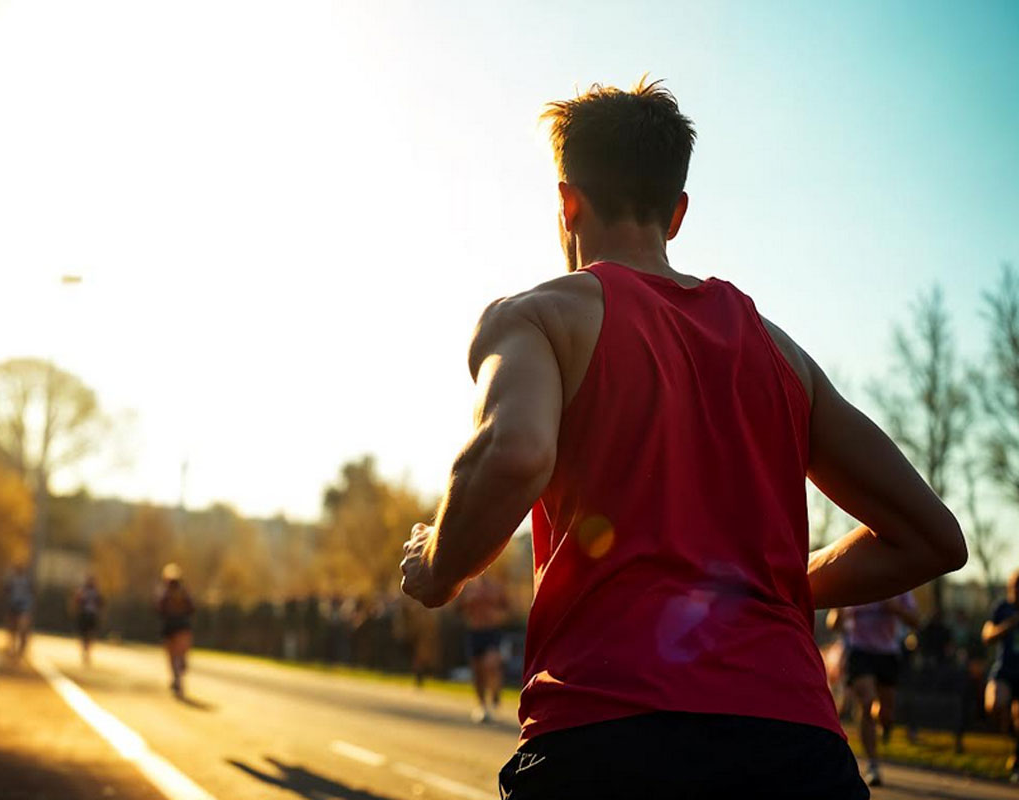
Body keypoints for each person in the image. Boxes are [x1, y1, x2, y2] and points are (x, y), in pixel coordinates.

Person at [399, 78, 966, 799]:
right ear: (677, 212)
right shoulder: (780, 353)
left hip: (608, 736)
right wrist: (766, 590)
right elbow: (932, 538)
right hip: (798, 750)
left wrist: (439, 565)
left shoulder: (539, 318)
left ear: (568, 202)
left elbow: (514, 454)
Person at [827, 593, 920, 786]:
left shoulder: (896, 584)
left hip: (887, 653)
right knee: (867, 702)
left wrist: (895, 608)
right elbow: (833, 624)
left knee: (886, 713)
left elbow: (916, 620)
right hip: (859, 652)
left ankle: (884, 723)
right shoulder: (852, 584)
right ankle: (873, 764)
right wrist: (838, 613)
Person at [983, 569, 1019, 784]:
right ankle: (1008, 731)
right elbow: (987, 635)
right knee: (994, 704)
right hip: (1004, 670)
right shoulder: (1002, 608)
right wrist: (1008, 625)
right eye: (1015, 586)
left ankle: (1016, 759)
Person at [457, 574, 510, 722]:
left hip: (492, 632)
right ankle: (482, 705)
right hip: (474, 632)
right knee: (477, 670)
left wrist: (498, 617)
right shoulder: (467, 588)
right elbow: (458, 609)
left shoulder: (496, 587)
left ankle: (495, 697)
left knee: (491, 664)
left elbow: (508, 609)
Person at [156, 563, 194, 696]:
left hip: (170, 627)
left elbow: (159, 608)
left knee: (172, 656)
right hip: (182, 626)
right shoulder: (184, 591)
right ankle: (178, 674)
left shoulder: (165, 592)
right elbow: (192, 608)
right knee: (180, 653)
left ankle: (176, 677)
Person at [73, 575, 104, 666]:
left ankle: (88, 651)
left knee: (90, 634)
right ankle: (84, 650)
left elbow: (101, 603)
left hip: (92, 615)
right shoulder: (82, 591)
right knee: (83, 635)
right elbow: (77, 601)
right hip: (84, 614)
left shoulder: (96, 592)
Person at [3, 564, 34, 657]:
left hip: (24, 606)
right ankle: (12, 646)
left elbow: (33, 591)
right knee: (12, 627)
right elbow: (6, 590)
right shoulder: (12, 580)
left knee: (22, 627)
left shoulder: (28, 580)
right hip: (13, 605)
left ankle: (21, 647)